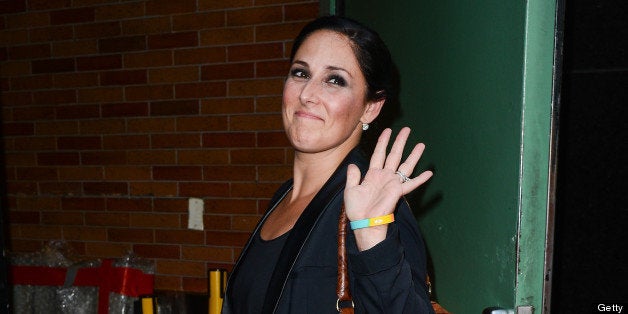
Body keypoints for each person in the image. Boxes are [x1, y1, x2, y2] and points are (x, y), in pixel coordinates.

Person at [222, 15, 435, 314]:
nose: (307, 94)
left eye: (335, 80)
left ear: (370, 108)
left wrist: (371, 235)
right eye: (300, 73)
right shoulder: (283, 197)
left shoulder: (375, 208)